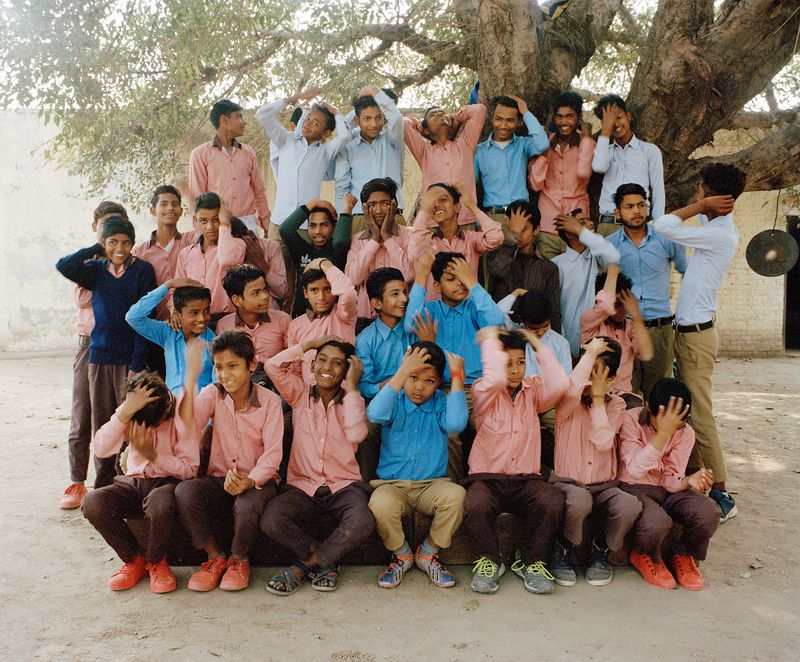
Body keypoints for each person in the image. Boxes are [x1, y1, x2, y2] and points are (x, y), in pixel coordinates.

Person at [652, 163, 745, 521]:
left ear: (713, 196)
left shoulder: (720, 232)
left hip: (697, 336)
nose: (694, 195)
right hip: (689, 331)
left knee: (701, 415)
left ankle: (722, 493)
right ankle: (706, 482)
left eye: (700, 189)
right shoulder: (715, 227)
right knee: (695, 411)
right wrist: (709, 207)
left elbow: (663, 224)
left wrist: (701, 206)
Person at [262, 337, 373, 594]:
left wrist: (354, 386)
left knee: (362, 520)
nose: (327, 367)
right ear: (311, 365)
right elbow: (272, 366)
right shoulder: (299, 394)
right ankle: (325, 560)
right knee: (271, 519)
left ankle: (304, 565)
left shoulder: (352, 400)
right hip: (303, 485)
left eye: (337, 363)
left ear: (346, 371)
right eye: (322, 360)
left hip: (343, 485)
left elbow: (357, 435)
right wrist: (309, 345)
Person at [176, 331, 284, 592]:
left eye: (233, 366)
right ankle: (215, 558)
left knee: (248, 505)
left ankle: (238, 561)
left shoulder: (270, 402)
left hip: (258, 480)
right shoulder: (214, 393)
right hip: (220, 478)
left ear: (252, 365)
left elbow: (273, 453)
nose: (225, 375)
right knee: (185, 492)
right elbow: (187, 425)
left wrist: (250, 480)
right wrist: (191, 377)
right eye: (219, 367)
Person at [465, 327, 569, 595]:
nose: (514, 370)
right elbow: (493, 379)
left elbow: (559, 384)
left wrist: (535, 343)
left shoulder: (533, 391)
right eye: (508, 363)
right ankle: (490, 560)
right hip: (487, 480)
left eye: (520, 362)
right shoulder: (483, 391)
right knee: (475, 504)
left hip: (526, 480)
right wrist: (490, 341)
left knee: (552, 499)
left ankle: (532, 562)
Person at [56, 216, 157, 488]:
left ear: (133, 244)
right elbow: (64, 265)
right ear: (104, 244)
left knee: (128, 421)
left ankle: (126, 483)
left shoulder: (143, 271)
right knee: (102, 423)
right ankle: (103, 486)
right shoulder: (97, 270)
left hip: (130, 360)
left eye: (126, 243)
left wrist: (137, 364)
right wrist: (95, 249)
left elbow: (145, 318)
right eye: (113, 243)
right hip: (99, 358)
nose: (120, 248)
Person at [82, 372, 198, 593]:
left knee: (160, 503)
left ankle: (156, 563)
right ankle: (134, 560)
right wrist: (125, 412)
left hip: (167, 483)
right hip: (133, 482)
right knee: (93, 501)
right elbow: (101, 448)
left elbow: (190, 470)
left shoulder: (181, 414)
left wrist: (153, 455)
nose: (149, 430)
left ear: (166, 409)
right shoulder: (132, 410)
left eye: (155, 425)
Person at [367, 342, 468, 588]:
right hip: (393, 486)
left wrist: (456, 380)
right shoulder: (396, 401)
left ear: (438, 383)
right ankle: (401, 554)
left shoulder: (441, 403)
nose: (419, 387)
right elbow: (374, 414)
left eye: (429, 381)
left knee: (456, 495)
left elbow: (455, 425)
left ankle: (428, 552)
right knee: (380, 502)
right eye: (413, 377)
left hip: (430, 486)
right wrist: (402, 373)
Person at [550, 337, 642, 588]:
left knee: (629, 505)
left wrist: (600, 399)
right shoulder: (568, 401)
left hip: (604, 486)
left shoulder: (617, 405)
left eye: (598, 375)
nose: (589, 380)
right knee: (580, 500)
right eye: (587, 372)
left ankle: (601, 548)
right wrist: (589, 354)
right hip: (568, 484)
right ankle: (564, 548)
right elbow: (571, 387)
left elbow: (602, 440)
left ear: (612, 379)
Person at [58, 201, 128, 509]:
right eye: (105, 230)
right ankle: (76, 481)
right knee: (82, 410)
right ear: (96, 231)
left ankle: (116, 479)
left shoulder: (128, 264)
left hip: (120, 344)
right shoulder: (88, 264)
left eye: (117, 227)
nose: (112, 236)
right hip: (89, 342)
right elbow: (84, 298)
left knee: (117, 413)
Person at [619, 378, 720, 590]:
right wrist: (663, 435)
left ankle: (683, 553)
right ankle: (645, 554)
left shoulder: (685, 432)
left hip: (667, 490)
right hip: (634, 487)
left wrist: (687, 481)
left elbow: (669, 477)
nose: (673, 429)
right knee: (657, 521)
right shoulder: (630, 420)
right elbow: (634, 469)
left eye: (678, 424)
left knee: (708, 510)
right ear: (648, 406)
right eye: (665, 422)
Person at [607, 183, 686, 400]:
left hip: (659, 329)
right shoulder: (609, 246)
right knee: (625, 395)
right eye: (629, 206)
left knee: (658, 395)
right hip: (625, 330)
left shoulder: (666, 240)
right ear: (618, 212)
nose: (636, 211)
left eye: (641, 205)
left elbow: (686, 272)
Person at [354, 267, 435, 478]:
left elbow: (431, 369)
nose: (404, 299)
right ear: (377, 304)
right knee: (368, 428)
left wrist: (429, 342)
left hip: (417, 397)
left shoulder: (413, 331)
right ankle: (368, 485)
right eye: (395, 294)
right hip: (384, 402)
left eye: (405, 292)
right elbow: (366, 387)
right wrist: (399, 377)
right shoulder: (366, 339)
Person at [256, 87, 353, 233]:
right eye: (307, 118)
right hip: (278, 223)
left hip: (306, 227)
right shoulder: (285, 140)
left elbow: (345, 136)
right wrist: (296, 97)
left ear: (326, 133)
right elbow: (262, 114)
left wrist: (337, 113)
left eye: (315, 123)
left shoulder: (325, 152)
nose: (307, 124)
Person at [528, 92, 595, 259]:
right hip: (547, 227)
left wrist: (586, 139)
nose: (563, 122)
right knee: (546, 279)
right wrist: (545, 153)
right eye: (559, 117)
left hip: (577, 227)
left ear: (579, 117)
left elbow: (584, 173)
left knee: (576, 279)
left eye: (569, 116)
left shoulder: (587, 143)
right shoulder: (544, 143)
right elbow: (535, 184)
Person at [408, 183, 503, 300]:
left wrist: (471, 205)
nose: (437, 205)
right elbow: (413, 251)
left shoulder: (470, 239)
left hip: (467, 312)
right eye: (432, 202)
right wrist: (424, 211)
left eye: (443, 200)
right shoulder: (427, 240)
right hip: (436, 313)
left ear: (457, 207)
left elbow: (496, 237)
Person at [189, 99, 269, 234]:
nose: (244, 122)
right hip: (217, 226)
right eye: (239, 117)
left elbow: (259, 191)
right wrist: (201, 233)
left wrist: (266, 223)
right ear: (224, 120)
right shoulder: (200, 154)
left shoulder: (248, 152)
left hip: (247, 225)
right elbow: (197, 198)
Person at [474, 94, 548, 236]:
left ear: (519, 122)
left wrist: (525, 112)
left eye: (510, 120)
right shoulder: (479, 151)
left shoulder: (523, 145)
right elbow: (470, 187)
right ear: (492, 118)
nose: (503, 125)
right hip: (493, 218)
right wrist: (479, 220)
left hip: (521, 216)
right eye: (499, 119)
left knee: (522, 258)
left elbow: (542, 143)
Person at [580, 264, 654, 405]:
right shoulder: (589, 321)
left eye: (626, 303)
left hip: (624, 397)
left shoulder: (631, 326)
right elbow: (604, 307)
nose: (623, 309)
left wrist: (636, 316)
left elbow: (646, 354)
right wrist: (612, 272)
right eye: (617, 304)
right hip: (593, 393)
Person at [591, 96, 665, 237]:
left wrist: (659, 228)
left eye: (618, 117)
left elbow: (658, 191)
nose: (615, 124)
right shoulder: (605, 151)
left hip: (638, 224)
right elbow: (599, 167)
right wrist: (606, 130)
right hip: (609, 225)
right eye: (609, 121)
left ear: (629, 116)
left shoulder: (649, 151)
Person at [345, 178, 413, 330]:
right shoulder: (357, 240)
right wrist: (374, 239)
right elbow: (354, 279)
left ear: (394, 204)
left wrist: (388, 237)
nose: (379, 210)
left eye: (385, 203)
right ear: (364, 208)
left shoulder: (409, 235)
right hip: (366, 320)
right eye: (372, 205)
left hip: (401, 319)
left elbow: (409, 274)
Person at [335, 86, 405, 232]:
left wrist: (371, 90)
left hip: (393, 215)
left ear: (384, 118)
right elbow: (342, 188)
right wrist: (342, 220)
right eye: (367, 119)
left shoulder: (393, 141)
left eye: (379, 117)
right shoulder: (348, 146)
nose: (374, 124)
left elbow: (396, 118)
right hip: (360, 218)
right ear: (357, 120)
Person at [404, 102, 487, 225]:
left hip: (465, 221)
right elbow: (404, 123)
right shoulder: (424, 152)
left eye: (443, 114)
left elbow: (480, 110)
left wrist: (457, 117)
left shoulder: (465, 144)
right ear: (426, 131)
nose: (440, 115)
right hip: (435, 223)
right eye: (434, 115)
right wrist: (421, 125)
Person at [126, 280, 215, 393]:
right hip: (170, 406)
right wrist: (168, 285)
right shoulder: (168, 333)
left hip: (201, 407)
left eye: (206, 311)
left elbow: (217, 387)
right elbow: (133, 317)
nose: (202, 318)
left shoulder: (214, 343)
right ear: (177, 314)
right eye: (194, 313)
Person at [551, 211, 620, 357]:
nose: (591, 224)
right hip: (566, 346)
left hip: (598, 344)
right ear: (569, 234)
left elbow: (612, 255)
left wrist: (579, 229)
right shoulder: (556, 265)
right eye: (582, 222)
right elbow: (554, 310)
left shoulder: (599, 259)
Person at [487, 201, 561, 330]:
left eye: (524, 229)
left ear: (536, 229)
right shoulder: (496, 255)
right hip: (500, 335)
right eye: (514, 229)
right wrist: (512, 236)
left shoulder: (548, 268)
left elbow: (553, 313)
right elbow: (497, 269)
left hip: (533, 337)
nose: (519, 235)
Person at [173, 193, 246, 322]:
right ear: (195, 220)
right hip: (195, 322)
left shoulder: (236, 245)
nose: (210, 227)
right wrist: (174, 311)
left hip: (228, 319)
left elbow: (226, 259)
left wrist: (225, 224)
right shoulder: (185, 254)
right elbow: (178, 290)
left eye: (216, 219)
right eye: (203, 221)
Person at [280, 195, 355, 317]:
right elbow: (285, 229)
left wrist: (347, 209)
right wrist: (313, 203)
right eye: (313, 225)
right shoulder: (302, 250)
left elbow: (340, 241)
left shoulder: (337, 251)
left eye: (324, 225)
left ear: (334, 227)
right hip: (303, 317)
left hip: (332, 317)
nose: (318, 231)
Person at [286, 259, 358, 384]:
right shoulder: (296, 325)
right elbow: (296, 369)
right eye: (314, 290)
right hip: (309, 396)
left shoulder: (343, 314)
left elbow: (348, 293)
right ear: (305, 292)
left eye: (327, 289)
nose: (321, 297)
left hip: (342, 394)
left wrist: (324, 264)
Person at [133, 185, 198, 320]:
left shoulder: (191, 241)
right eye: (164, 204)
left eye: (175, 204)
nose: (170, 208)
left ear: (180, 211)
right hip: (154, 326)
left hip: (187, 322)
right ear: (153, 210)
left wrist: (190, 194)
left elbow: (207, 225)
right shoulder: (140, 252)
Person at [217, 264, 291, 369]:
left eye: (265, 290)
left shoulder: (283, 320)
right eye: (256, 293)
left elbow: (293, 360)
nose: (265, 297)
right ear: (237, 300)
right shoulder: (224, 326)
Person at [229, 216, 288, 310]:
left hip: (268, 313)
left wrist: (261, 263)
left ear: (250, 236)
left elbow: (281, 292)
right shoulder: (222, 253)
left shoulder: (271, 247)